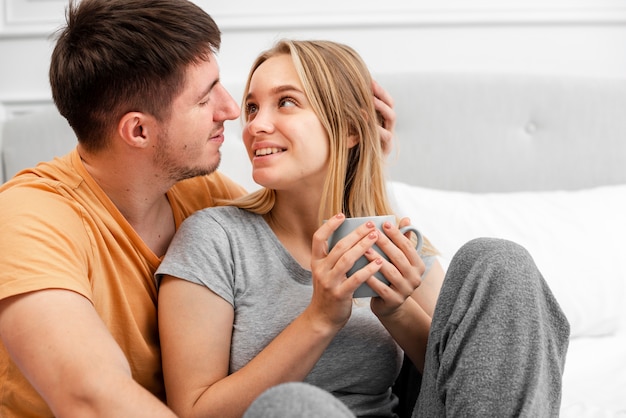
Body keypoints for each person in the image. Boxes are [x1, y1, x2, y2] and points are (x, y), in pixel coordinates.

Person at [0, 1, 398, 417]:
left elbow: (297, 212)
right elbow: (89, 397)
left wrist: (355, 157)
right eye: (206, 98)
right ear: (139, 130)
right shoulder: (30, 219)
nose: (231, 112)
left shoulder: (203, 193)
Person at [156, 39, 570, 418]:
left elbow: (472, 376)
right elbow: (193, 411)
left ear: (351, 129)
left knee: (498, 261)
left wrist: (396, 310)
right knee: (294, 407)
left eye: (285, 103)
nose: (255, 126)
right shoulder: (215, 238)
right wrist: (319, 318)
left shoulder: (389, 243)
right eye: (251, 107)